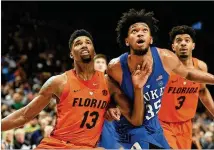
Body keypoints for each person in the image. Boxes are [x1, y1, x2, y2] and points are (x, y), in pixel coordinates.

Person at [1, 29, 149, 149]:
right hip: (56, 145)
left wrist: (137, 88)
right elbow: (24, 116)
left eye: (88, 43)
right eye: (78, 43)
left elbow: (136, 120)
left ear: (93, 51)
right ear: (71, 53)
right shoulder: (58, 82)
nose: (84, 45)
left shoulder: (108, 83)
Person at [99, 8, 214, 149]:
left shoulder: (165, 58)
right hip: (128, 128)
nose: (140, 33)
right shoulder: (116, 68)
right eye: (134, 31)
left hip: (153, 126)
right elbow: (108, 94)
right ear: (127, 41)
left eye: (144, 30)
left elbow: (188, 74)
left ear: (151, 39)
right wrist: (111, 105)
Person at [158, 25, 214, 149]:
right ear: (173, 47)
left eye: (187, 40)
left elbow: (203, 92)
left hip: (186, 125)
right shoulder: (164, 67)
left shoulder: (201, 67)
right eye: (178, 40)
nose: (183, 43)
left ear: (193, 45)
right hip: (163, 124)